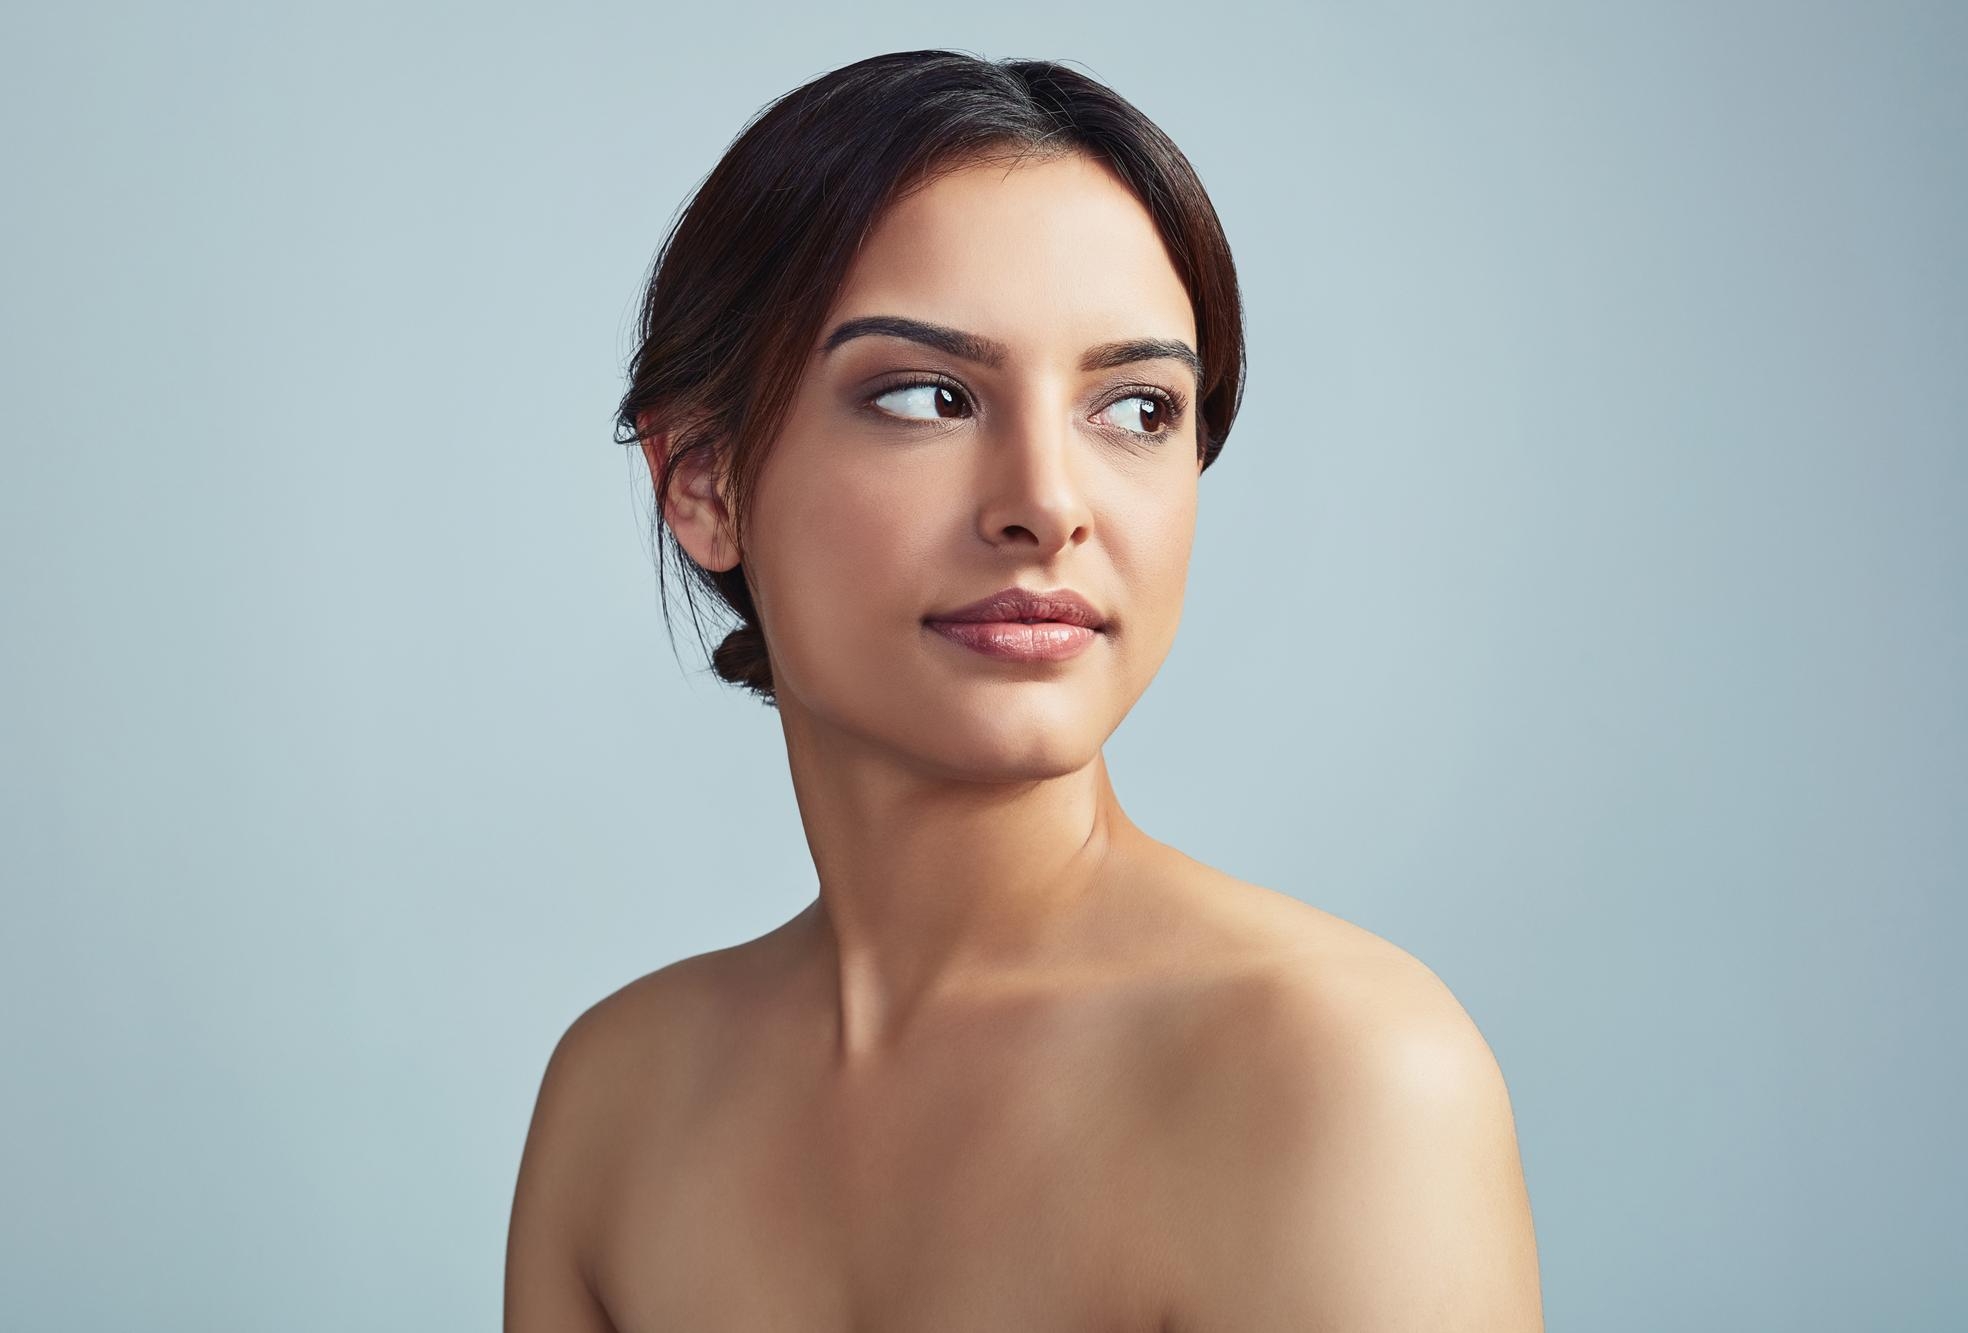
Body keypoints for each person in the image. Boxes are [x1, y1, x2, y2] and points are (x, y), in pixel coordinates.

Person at [505, 49, 1542, 1332]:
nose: (1047, 504)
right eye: (927, 395)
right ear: (704, 479)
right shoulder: (617, 1102)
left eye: (1136, 409)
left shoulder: (1341, 1075)